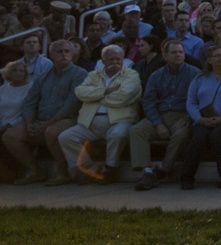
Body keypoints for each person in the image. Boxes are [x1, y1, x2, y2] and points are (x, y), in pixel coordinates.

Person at [3, 40, 87, 185]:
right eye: (59, 51)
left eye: (67, 51)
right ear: (51, 54)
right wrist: (29, 123)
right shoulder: (43, 76)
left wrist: (46, 124)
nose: (63, 54)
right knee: (10, 135)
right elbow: (30, 102)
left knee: (51, 132)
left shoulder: (80, 74)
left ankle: (62, 173)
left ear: (72, 54)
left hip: (68, 120)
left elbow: (70, 106)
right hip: (40, 121)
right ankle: (35, 170)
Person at [59, 45, 142, 183]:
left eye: (118, 59)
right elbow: (80, 92)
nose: (115, 62)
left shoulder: (131, 75)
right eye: (111, 59)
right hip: (90, 121)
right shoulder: (93, 75)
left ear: (123, 59)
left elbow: (124, 96)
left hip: (119, 120)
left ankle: (110, 167)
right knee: (66, 137)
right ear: (103, 60)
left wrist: (95, 95)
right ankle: (88, 169)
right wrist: (106, 91)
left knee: (118, 135)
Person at [130, 39, 198, 191]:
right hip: (159, 115)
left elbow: (200, 100)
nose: (178, 55)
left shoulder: (194, 74)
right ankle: (147, 172)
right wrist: (158, 123)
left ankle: (164, 168)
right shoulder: (156, 76)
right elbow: (148, 101)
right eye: (173, 52)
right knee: (136, 131)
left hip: (182, 115)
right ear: (165, 55)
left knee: (181, 135)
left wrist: (189, 117)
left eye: (180, 52)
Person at [179, 45, 221, 189]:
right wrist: (199, 119)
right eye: (217, 55)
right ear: (209, 60)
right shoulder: (199, 78)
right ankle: (186, 178)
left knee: (217, 136)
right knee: (198, 138)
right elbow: (191, 102)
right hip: (204, 120)